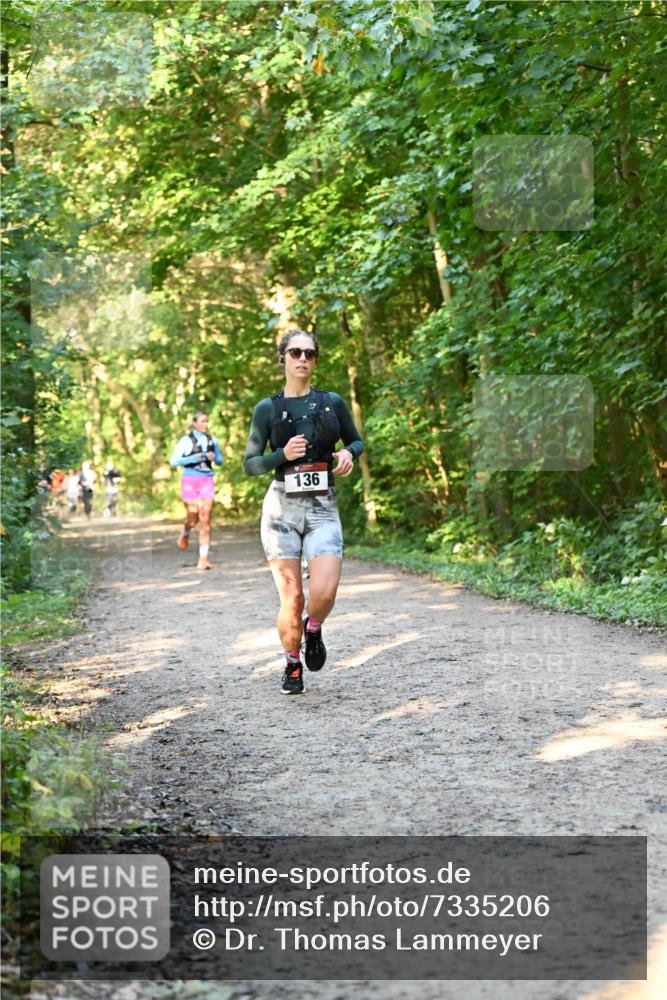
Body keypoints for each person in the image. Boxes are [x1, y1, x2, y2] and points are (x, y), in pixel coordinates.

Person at [243, 329, 364, 695]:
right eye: (295, 352)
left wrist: (348, 453)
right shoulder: (267, 408)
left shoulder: (332, 402)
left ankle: (314, 628)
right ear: (283, 357)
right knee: (293, 599)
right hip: (281, 508)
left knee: (324, 593)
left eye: (309, 354)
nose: (302, 359)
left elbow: (356, 440)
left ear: (315, 360)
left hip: (323, 506)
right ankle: (292, 663)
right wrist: (282, 455)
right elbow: (250, 464)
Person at [170, 411, 223, 570]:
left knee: (206, 518)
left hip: (207, 480)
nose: (205, 424)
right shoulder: (185, 441)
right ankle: (186, 530)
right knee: (193, 518)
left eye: (206, 421)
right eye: (202, 421)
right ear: (194, 423)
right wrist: (195, 457)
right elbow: (174, 461)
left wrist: (215, 458)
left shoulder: (212, 440)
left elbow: (220, 461)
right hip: (190, 481)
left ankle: (203, 558)